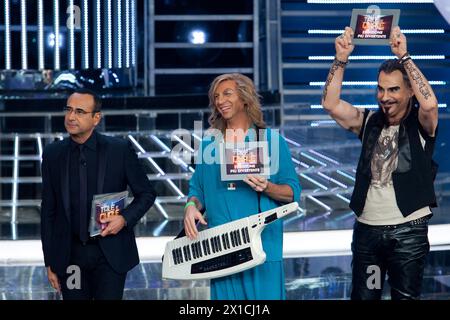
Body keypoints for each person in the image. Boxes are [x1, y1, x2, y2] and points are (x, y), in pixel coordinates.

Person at [321, 26, 439, 300]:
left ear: (410, 91)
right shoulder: (369, 121)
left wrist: (404, 56)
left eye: (394, 89)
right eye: (381, 89)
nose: (385, 97)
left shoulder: (421, 123)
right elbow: (330, 104)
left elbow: (431, 105)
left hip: (408, 233)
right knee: (366, 297)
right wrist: (341, 59)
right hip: (368, 234)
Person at [183, 73, 301, 299]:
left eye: (227, 93)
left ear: (245, 99)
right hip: (222, 249)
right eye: (216, 96)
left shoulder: (272, 141)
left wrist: (267, 187)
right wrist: (190, 206)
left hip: (262, 248)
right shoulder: (210, 144)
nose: (220, 100)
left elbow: (293, 193)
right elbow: (197, 190)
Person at [40, 88, 156, 300]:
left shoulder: (119, 150)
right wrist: (50, 262)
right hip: (70, 257)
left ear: (96, 118)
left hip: (109, 255)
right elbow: (49, 211)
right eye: (69, 110)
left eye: (79, 112)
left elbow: (146, 194)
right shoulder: (52, 154)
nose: (71, 117)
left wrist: (124, 219)